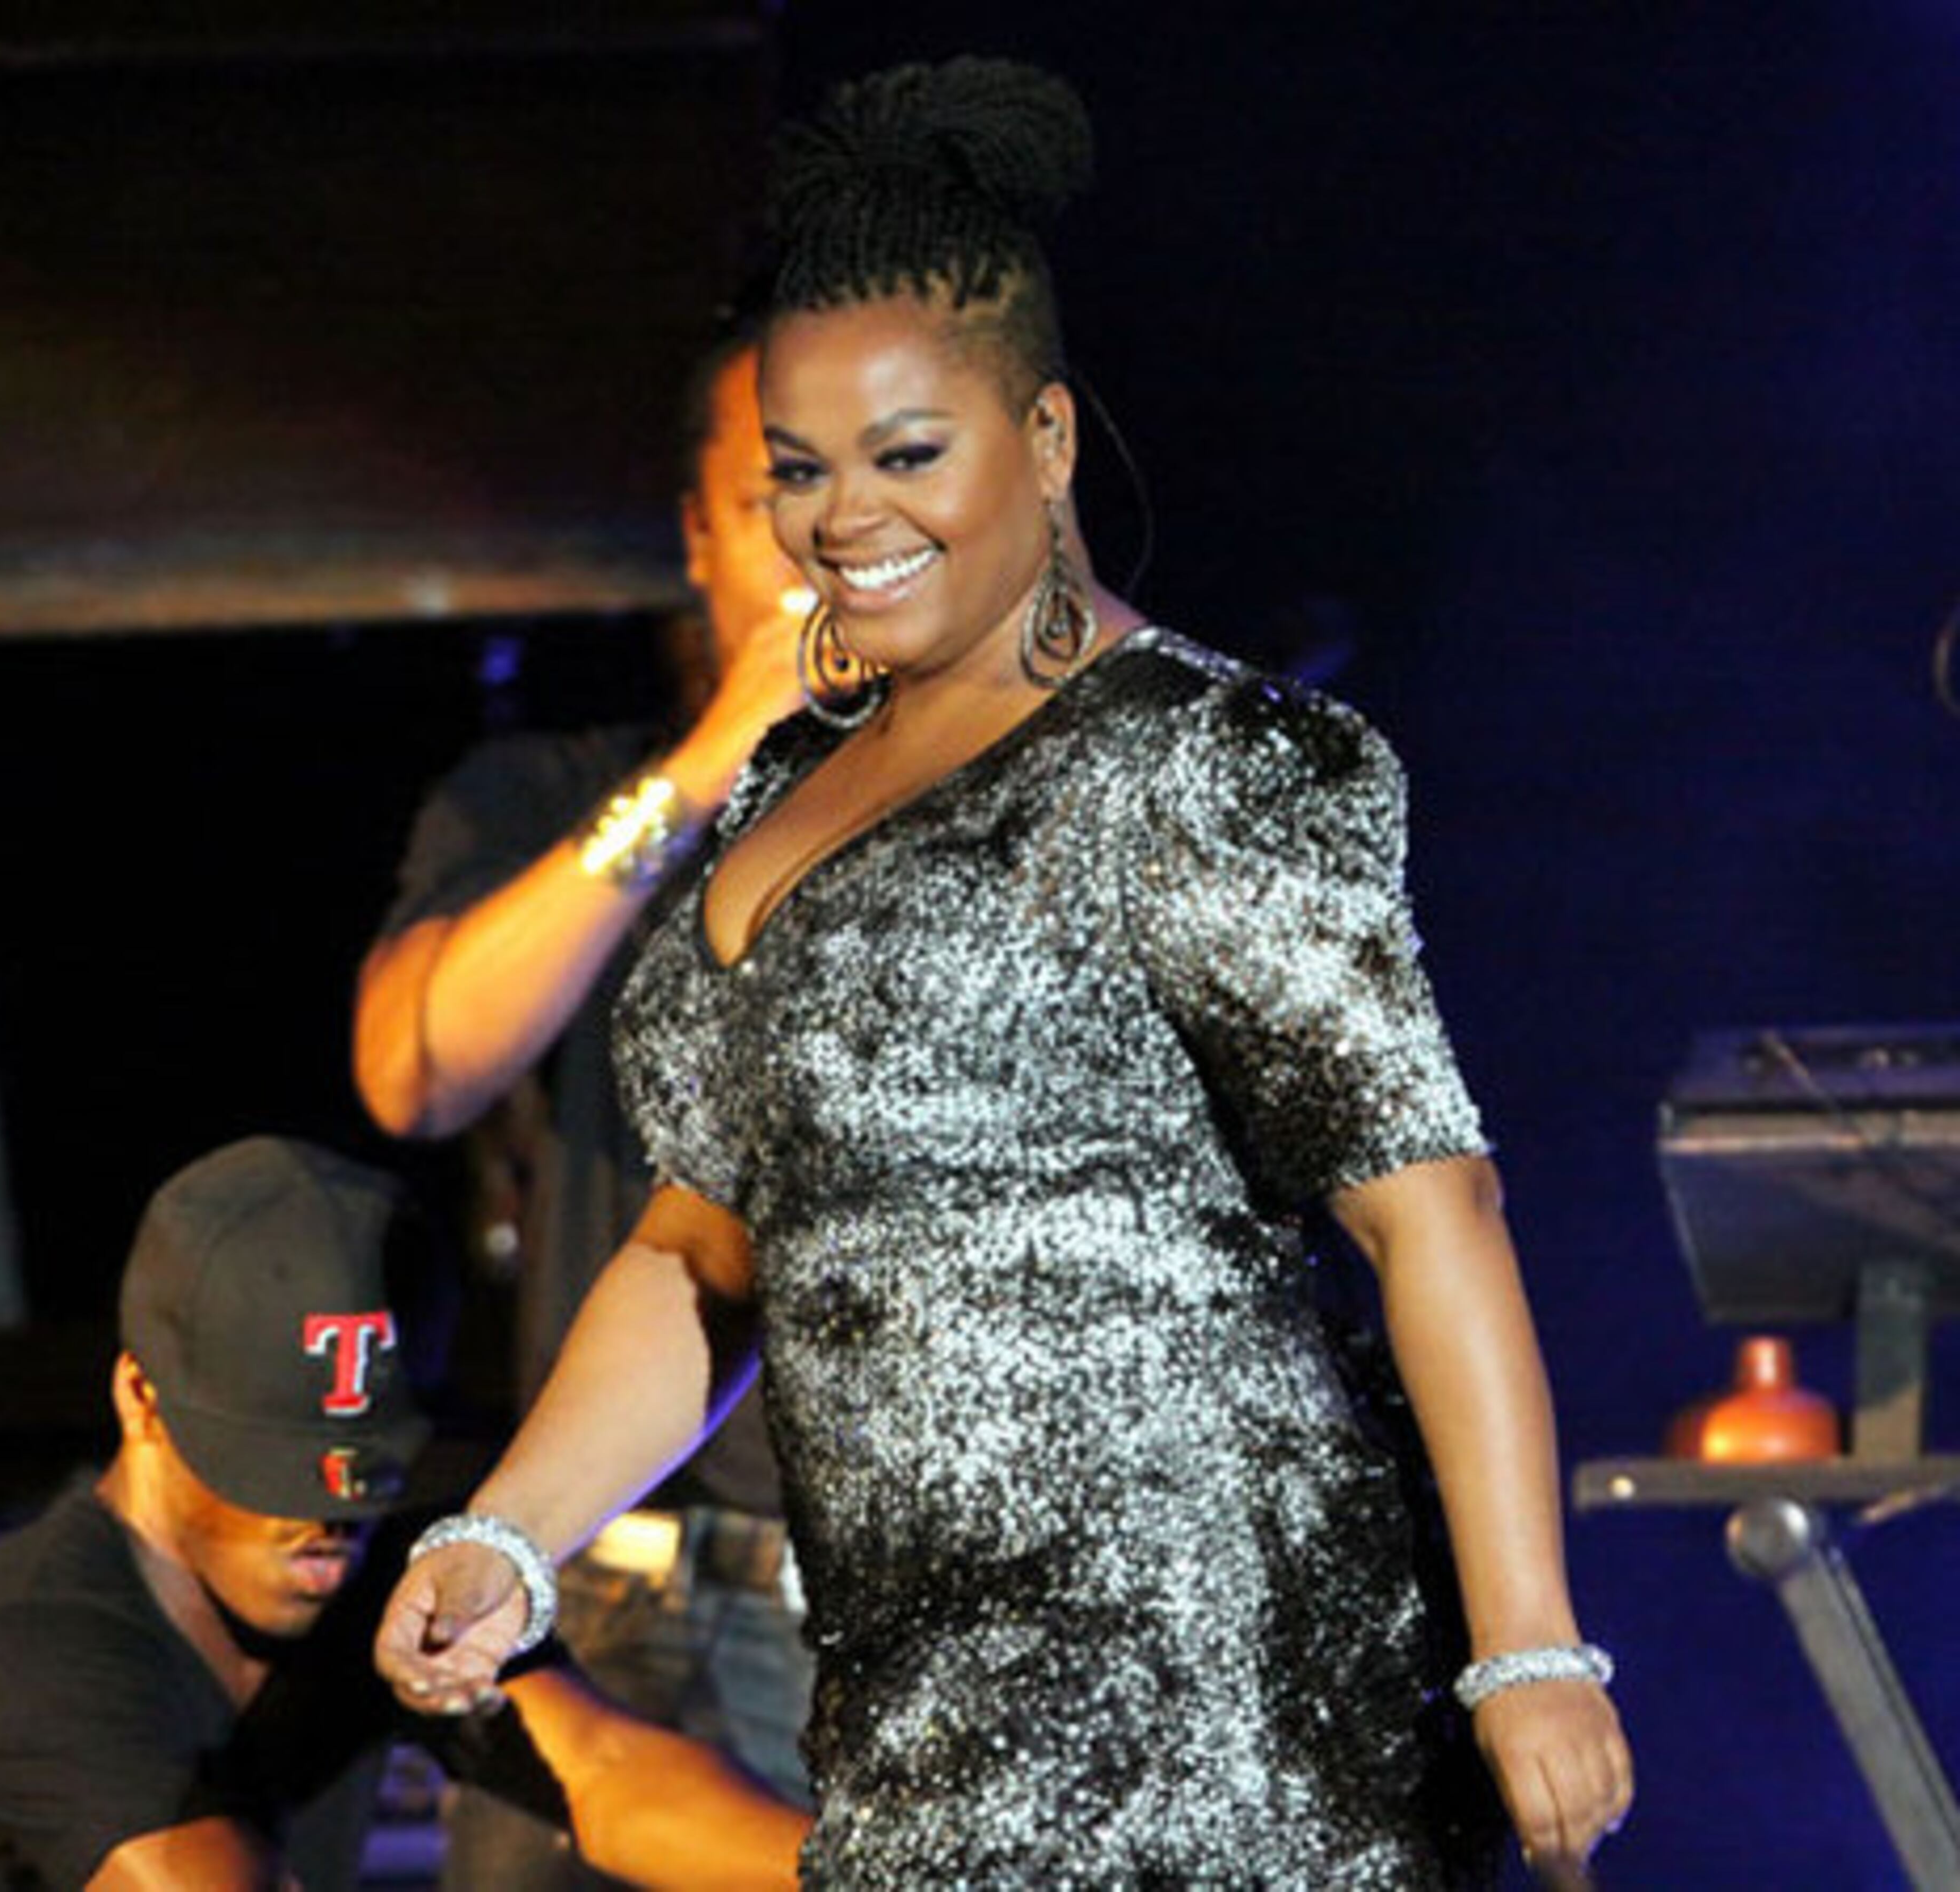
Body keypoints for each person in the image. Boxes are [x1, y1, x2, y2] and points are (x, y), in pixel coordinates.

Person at [374, 56, 1636, 1888]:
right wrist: (513, 1532)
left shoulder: (1204, 765)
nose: (840, 517)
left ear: (1044, 441)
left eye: (908, 455)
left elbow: (1429, 1212)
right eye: (799, 469)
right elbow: (698, 1251)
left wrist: (1527, 1638)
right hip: (924, 1728)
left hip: (1238, 1705)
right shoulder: (780, 801)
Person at [353, 317, 816, 1887]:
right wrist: (696, 778)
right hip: (590, 1559)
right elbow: (415, 1067)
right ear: (698, 531)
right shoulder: (563, 788)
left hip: (852, 1579)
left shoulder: (984, 814)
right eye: (772, 498)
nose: (820, 542)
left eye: (862, 487)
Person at [0, 1136, 807, 1891]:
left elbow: (609, 1776)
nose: (329, 1520)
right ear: (141, 1400)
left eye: (366, 1473)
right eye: (275, 1472)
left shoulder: (376, 1552)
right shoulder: (33, 1640)